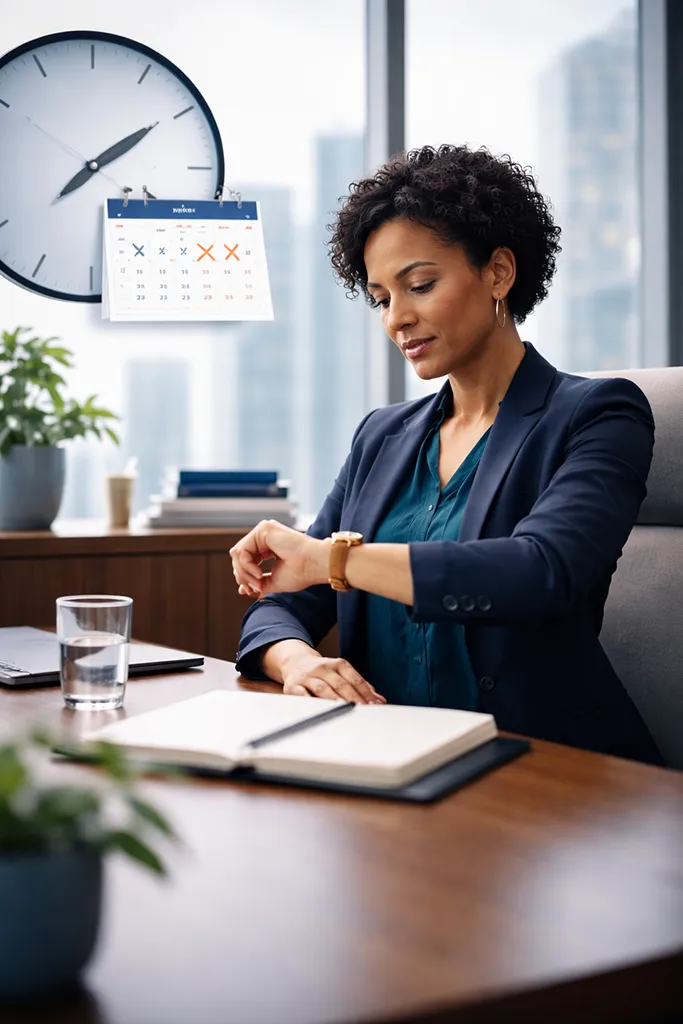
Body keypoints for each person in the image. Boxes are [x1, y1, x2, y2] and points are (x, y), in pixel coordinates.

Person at [230, 143, 662, 765]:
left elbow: (541, 572)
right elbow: (283, 604)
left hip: (544, 773)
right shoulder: (380, 437)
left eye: (420, 285)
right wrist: (300, 661)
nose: (397, 319)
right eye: (380, 299)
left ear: (499, 273)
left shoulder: (599, 414)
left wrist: (334, 560)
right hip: (387, 761)